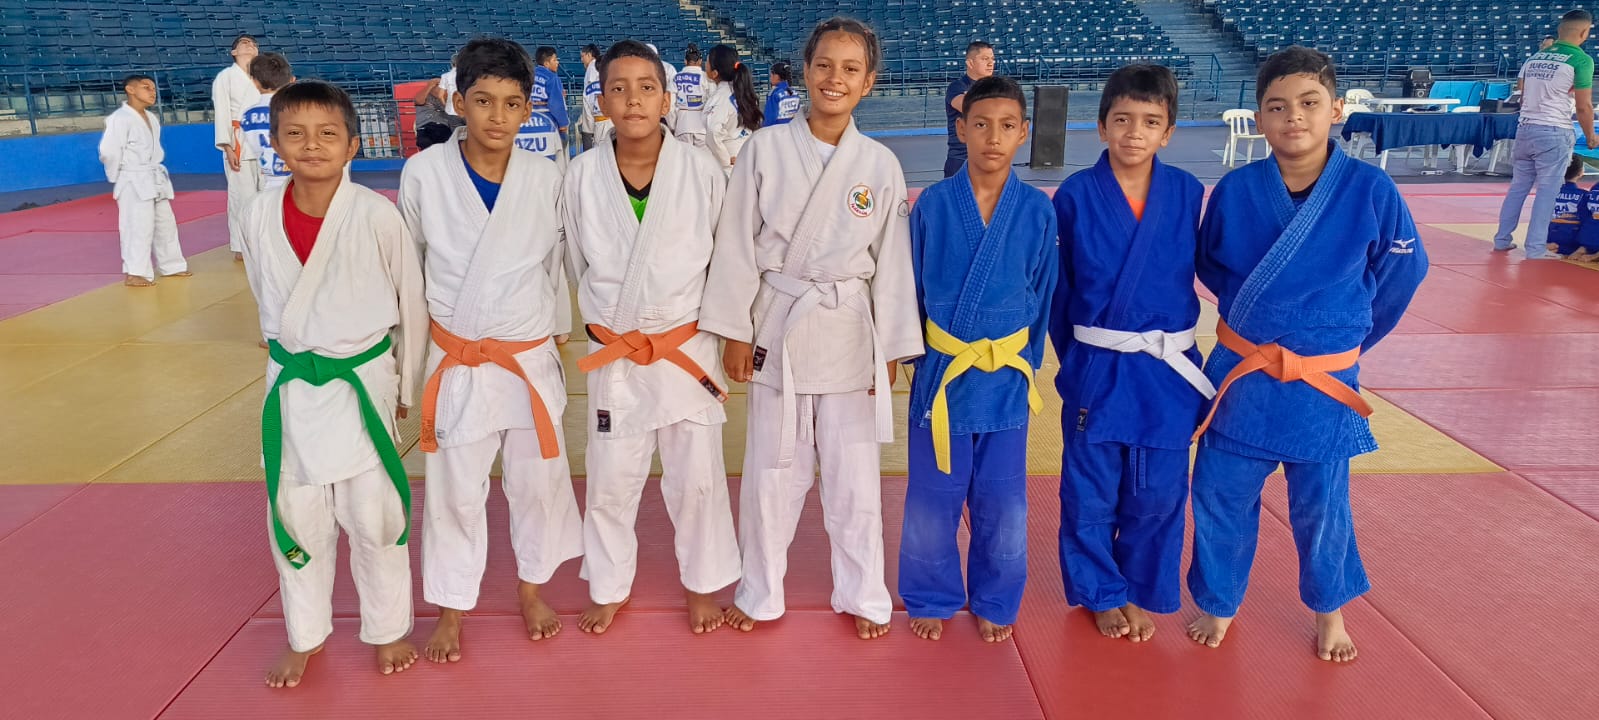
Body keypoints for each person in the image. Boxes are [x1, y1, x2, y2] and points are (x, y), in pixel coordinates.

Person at [1186, 46, 1428, 663]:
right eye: (1277, 106)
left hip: (1321, 380)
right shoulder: (1236, 190)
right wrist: (1262, 320)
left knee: (1323, 506)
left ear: (1336, 110)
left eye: (1309, 103)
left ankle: (1329, 609)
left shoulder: (1371, 189)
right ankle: (1219, 600)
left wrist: (1345, 340)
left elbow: (1402, 273)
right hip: (1245, 374)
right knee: (1217, 493)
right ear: (1259, 119)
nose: (1293, 116)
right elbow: (1212, 266)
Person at [702, 16, 921, 641]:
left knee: (855, 482)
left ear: (869, 82)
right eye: (824, 64)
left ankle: (864, 593)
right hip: (780, 327)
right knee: (771, 475)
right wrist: (734, 330)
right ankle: (760, 590)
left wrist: (891, 348)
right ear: (805, 70)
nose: (835, 78)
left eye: (851, 69)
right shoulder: (764, 149)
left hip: (849, 331)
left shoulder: (879, 164)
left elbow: (892, 265)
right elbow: (735, 245)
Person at [398, 37, 583, 664]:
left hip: (525, 354)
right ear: (459, 102)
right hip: (457, 357)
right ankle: (451, 607)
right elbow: (410, 274)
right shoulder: (424, 174)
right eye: (482, 101)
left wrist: (557, 330)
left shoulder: (546, 175)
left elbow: (554, 266)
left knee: (537, 484)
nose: (497, 116)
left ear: (528, 108)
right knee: (454, 492)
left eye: (510, 103)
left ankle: (531, 589)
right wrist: (405, 370)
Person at [239, 80, 427, 689]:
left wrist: (407, 387)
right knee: (296, 516)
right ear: (275, 143)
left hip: (360, 382)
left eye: (327, 134)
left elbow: (411, 302)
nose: (311, 145)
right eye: (295, 134)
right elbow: (266, 293)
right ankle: (305, 635)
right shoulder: (257, 212)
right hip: (294, 382)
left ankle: (388, 628)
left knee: (375, 516)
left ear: (353, 145)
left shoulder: (375, 214)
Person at [562, 40, 741, 636]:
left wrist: (729, 331)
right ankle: (609, 585)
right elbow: (575, 263)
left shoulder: (702, 169)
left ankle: (702, 584)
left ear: (667, 100)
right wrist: (600, 324)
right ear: (601, 100)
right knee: (610, 480)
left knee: (698, 481)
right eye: (619, 88)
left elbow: (725, 259)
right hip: (617, 350)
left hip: (685, 347)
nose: (633, 99)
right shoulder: (580, 176)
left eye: (646, 88)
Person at [1052, 64, 1209, 644]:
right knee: (1089, 490)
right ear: (1101, 127)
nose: (1134, 133)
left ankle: (1140, 589)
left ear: (1168, 132)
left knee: (1160, 491)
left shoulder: (1188, 193)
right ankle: (1101, 593)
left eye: (1149, 121)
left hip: (1166, 371)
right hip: (1099, 365)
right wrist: (1078, 362)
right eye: (1121, 120)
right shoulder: (1074, 195)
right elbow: (1059, 290)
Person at [898, 75, 1056, 644]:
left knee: (1004, 500)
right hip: (943, 374)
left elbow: (1043, 293)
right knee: (932, 499)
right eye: (981, 124)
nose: (993, 137)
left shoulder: (1036, 210)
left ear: (1024, 133)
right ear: (961, 128)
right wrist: (916, 358)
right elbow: (911, 290)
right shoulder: (933, 206)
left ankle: (995, 598)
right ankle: (931, 595)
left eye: (1007, 126)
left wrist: (1026, 360)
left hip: (1005, 378)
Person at [1493, 9, 1597, 260]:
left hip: (1525, 128)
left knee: (1518, 188)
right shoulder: (1581, 60)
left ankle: (1502, 239)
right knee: (1548, 191)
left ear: (1560, 30)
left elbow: (1522, 94)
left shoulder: (1535, 58)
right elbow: (1584, 106)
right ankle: (1536, 247)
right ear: (1585, 32)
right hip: (1553, 131)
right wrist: (1591, 136)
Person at [99, 74, 189, 288]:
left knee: (165, 224)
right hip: (133, 177)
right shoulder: (119, 118)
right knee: (137, 226)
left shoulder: (151, 117)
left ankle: (172, 265)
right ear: (130, 90)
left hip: (153, 176)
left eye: (154, 88)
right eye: (146, 87)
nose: (152, 92)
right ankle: (135, 272)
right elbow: (109, 152)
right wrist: (118, 175)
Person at [212, 33, 262, 260]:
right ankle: (241, 246)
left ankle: (264, 241)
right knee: (242, 196)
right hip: (238, 140)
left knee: (268, 194)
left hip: (263, 140)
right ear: (234, 52)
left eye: (253, 44)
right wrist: (227, 147)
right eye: (244, 43)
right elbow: (222, 112)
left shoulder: (263, 76)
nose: (249, 45)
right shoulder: (225, 77)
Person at [703, 44, 762, 176]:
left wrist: (725, 160)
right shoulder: (743, 91)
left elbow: (713, 131)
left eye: (707, 62)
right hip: (747, 155)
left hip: (730, 163)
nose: (704, 65)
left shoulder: (721, 97)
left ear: (715, 73)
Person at [240, 52, 295, 191]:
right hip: (301, 181)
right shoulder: (300, 110)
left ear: (255, 82)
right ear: (291, 80)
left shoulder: (247, 115)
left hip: (270, 182)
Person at [943, 41, 994, 178]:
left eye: (992, 59)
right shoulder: (957, 87)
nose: (990, 63)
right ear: (970, 63)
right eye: (985, 59)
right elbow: (969, 107)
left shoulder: (996, 88)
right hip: (961, 159)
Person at [523, 46, 570, 167]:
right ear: (546, 63)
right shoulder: (552, 77)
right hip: (547, 122)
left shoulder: (528, 76)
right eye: (555, 60)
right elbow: (556, 104)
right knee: (554, 161)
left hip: (527, 121)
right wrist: (563, 125)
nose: (557, 62)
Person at [1547, 155, 1587, 257]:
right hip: (1573, 245)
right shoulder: (1584, 195)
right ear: (1581, 172)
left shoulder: (1547, 192)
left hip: (1548, 239)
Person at [671, 44, 710, 147]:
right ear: (700, 61)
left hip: (682, 124)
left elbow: (670, 106)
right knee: (703, 157)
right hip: (702, 126)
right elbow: (712, 103)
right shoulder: (706, 78)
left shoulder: (676, 77)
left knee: (684, 157)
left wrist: (673, 125)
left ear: (685, 61)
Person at [412, 77, 465, 151]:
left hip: (444, 128)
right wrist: (429, 85)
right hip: (426, 126)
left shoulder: (451, 100)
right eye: (436, 85)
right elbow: (418, 101)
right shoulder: (425, 97)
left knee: (450, 144)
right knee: (425, 142)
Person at [579, 44, 609, 150]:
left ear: (589, 55)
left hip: (600, 117)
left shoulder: (592, 66)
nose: (581, 60)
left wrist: (589, 124)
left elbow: (592, 93)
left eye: (582, 56)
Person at [1573, 169, 1599, 261]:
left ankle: (1583, 248)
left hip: (1588, 236)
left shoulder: (1595, 187)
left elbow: (1583, 214)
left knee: (1591, 220)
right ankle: (1595, 254)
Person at [763, 61, 799, 126]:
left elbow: (769, 119)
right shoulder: (795, 93)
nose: (770, 78)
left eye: (771, 75)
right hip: (793, 129)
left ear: (776, 76)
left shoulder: (774, 94)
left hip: (778, 130)